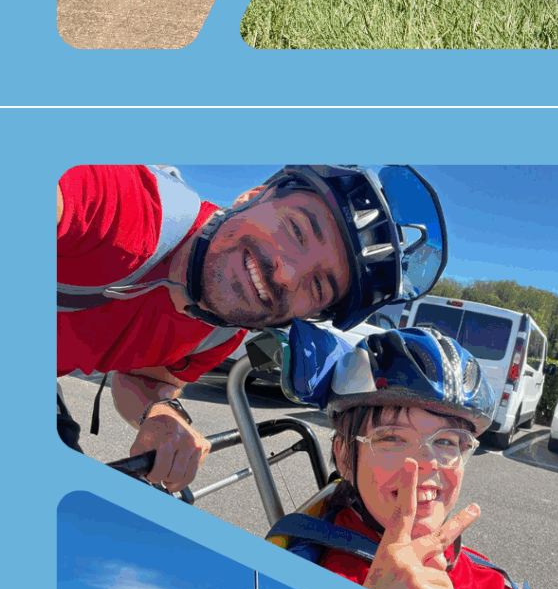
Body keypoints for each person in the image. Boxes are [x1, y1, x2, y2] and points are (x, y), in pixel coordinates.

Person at [57, 160, 446, 490]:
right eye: (296, 230)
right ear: (251, 196)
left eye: (317, 285)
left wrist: (160, 413)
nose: (287, 273)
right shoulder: (128, 206)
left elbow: (145, 377)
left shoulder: (221, 331)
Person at [267, 321, 538, 589]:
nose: (426, 463)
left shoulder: (494, 584)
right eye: (392, 438)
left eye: (448, 441)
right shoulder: (307, 585)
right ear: (345, 456)